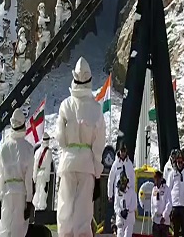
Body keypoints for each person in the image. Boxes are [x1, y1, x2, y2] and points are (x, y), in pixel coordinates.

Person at [56, 57, 106, 237]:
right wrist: (98, 174)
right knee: (83, 215)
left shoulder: (64, 106)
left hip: (68, 164)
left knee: (65, 211)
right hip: (87, 166)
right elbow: (98, 145)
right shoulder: (96, 109)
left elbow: (60, 139)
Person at [0, 108, 35, 237]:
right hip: (21, 193)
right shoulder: (28, 149)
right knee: (18, 231)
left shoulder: (3, 148)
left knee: (4, 229)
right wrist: (29, 201)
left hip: (6, 192)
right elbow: (28, 179)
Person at [166, 150, 184, 237]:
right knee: (176, 229)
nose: (180, 164)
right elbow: (168, 189)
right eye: (178, 162)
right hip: (175, 205)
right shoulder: (172, 174)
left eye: (181, 162)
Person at [33, 133, 54, 210]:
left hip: (38, 173)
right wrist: (47, 177)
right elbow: (48, 165)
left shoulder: (37, 151)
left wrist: (34, 175)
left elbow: (35, 165)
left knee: (37, 190)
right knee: (43, 191)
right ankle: (41, 207)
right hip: (44, 173)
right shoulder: (48, 152)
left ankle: (36, 207)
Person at [114, 173, 137, 237]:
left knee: (127, 235)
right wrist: (120, 212)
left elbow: (134, 205)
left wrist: (127, 210)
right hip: (120, 218)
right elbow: (116, 206)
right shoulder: (117, 192)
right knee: (119, 234)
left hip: (129, 218)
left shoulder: (132, 192)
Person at [150, 170, 172, 237]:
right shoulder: (154, 189)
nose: (156, 180)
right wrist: (153, 215)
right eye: (155, 178)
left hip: (164, 221)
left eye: (158, 178)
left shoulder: (166, 189)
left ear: (161, 178)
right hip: (156, 220)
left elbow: (169, 204)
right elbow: (152, 204)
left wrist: (164, 216)